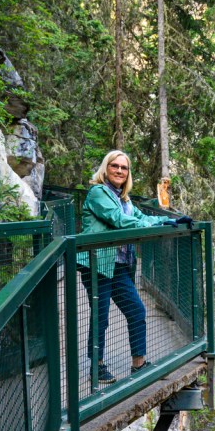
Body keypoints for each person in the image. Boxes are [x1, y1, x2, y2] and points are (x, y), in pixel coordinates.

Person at [77, 150, 191, 385]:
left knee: (136, 310)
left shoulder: (124, 199)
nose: (119, 171)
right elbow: (119, 220)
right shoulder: (98, 192)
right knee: (101, 315)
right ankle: (97, 367)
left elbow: (141, 217)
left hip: (118, 265)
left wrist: (167, 221)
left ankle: (138, 364)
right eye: (114, 166)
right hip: (97, 263)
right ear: (105, 169)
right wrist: (155, 222)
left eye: (124, 167)